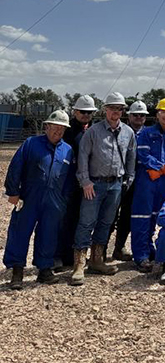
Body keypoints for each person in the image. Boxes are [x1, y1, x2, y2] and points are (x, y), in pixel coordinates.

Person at [3, 110, 74, 289]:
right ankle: (17, 270)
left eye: (62, 129)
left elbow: (69, 179)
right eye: (55, 127)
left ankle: (44, 269)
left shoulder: (67, 150)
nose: (58, 132)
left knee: (49, 234)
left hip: (54, 200)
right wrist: (13, 191)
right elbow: (16, 167)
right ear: (47, 126)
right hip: (28, 197)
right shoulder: (31, 144)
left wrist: (64, 200)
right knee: (19, 232)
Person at [71, 92, 136, 286]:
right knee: (86, 222)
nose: (116, 112)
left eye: (119, 108)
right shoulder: (93, 132)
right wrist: (85, 181)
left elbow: (132, 156)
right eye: (112, 108)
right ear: (105, 110)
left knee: (106, 222)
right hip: (95, 184)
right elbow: (83, 157)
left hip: (116, 184)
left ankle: (97, 260)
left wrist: (128, 179)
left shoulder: (128, 133)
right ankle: (78, 265)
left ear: (123, 111)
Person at [130, 98, 165, 273]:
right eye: (163, 112)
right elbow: (142, 154)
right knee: (141, 216)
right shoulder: (145, 133)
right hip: (147, 179)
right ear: (157, 114)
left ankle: (149, 247)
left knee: (154, 215)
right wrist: (160, 167)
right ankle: (140, 255)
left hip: (163, 180)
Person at [55, 94, 97, 269]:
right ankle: (57, 256)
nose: (86, 115)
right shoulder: (67, 130)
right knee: (63, 219)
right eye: (82, 112)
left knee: (83, 219)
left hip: (87, 181)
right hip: (68, 180)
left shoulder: (95, 129)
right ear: (75, 111)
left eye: (89, 112)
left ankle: (74, 256)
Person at [108, 100, 148, 262]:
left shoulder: (148, 134)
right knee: (110, 215)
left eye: (142, 115)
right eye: (135, 115)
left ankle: (119, 247)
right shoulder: (121, 131)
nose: (138, 118)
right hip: (118, 179)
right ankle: (101, 250)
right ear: (128, 115)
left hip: (138, 182)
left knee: (127, 216)